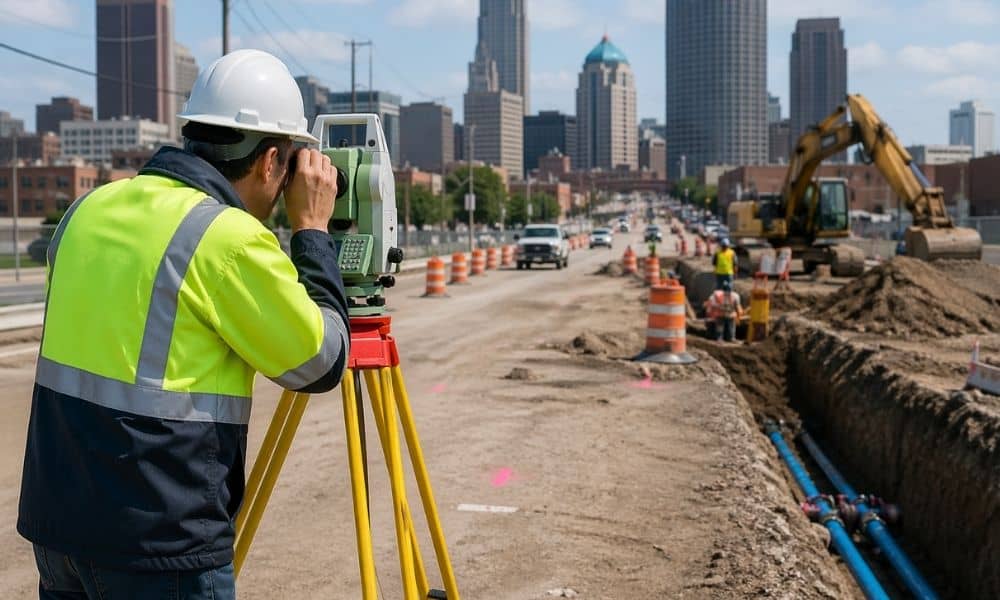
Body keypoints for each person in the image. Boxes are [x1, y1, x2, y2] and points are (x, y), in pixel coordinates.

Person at [18, 49, 350, 599]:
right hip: (158, 548)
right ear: (271, 161)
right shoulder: (229, 239)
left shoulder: (89, 209)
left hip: (60, 530)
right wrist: (312, 231)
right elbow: (320, 361)